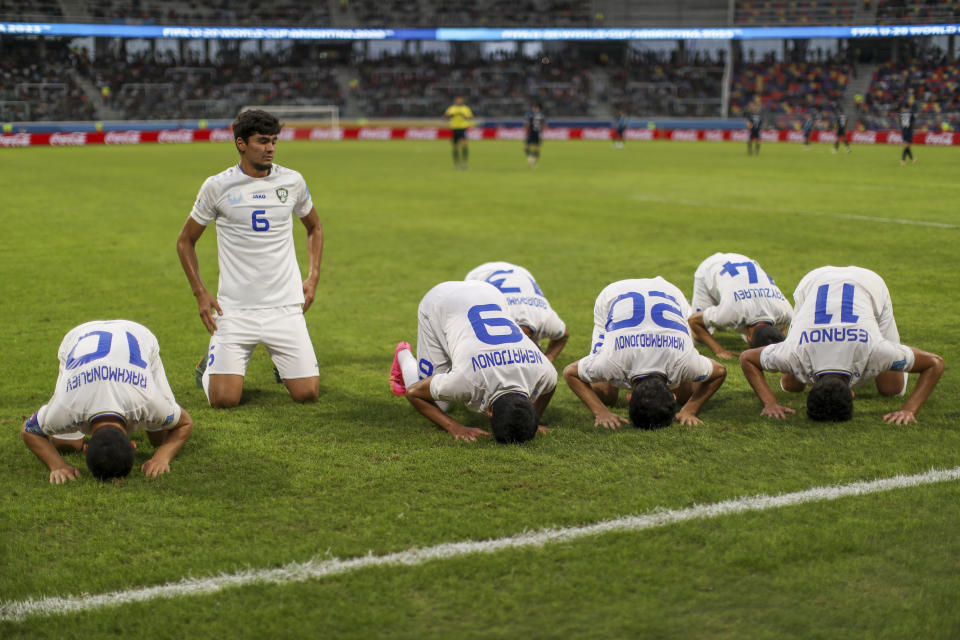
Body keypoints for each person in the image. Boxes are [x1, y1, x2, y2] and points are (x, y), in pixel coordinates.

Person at [176, 109, 323, 408]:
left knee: (307, 394)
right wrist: (200, 293)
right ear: (241, 144)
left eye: (274, 141)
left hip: (284, 307)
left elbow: (314, 227)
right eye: (262, 141)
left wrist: (313, 276)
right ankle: (208, 366)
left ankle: (283, 364)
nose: (270, 148)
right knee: (224, 400)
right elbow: (185, 241)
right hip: (235, 309)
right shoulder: (217, 186)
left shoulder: (292, 182)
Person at [739, 266, 944, 423]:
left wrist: (909, 409)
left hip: (869, 286)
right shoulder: (795, 354)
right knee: (791, 386)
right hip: (813, 282)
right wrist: (770, 403)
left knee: (892, 389)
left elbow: (935, 363)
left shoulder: (875, 351)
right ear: (851, 394)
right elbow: (935, 363)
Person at [20, 320, 194, 483]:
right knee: (66, 446)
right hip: (78, 338)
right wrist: (57, 465)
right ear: (133, 445)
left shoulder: (146, 401)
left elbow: (184, 423)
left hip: (139, 337)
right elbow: (28, 431)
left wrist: (161, 456)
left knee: (159, 439)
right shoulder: (66, 408)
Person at [389, 281, 557, 443]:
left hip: (489, 292)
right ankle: (403, 354)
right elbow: (413, 392)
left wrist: (531, 418)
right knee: (440, 405)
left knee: (457, 359)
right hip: (440, 302)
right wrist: (454, 427)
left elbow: (551, 384)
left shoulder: (543, 371)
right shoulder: (467, 380)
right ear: (489, 412)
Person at [562, 278, 726, 430]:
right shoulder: (612, 362)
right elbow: (570, 372)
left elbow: (719, 372)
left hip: (668, 293)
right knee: (606, 396)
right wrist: (600, 411)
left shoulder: (683, 361)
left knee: (686, 391)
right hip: (613, 297)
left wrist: (690, 409)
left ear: (629, 398)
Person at [688, 252, 792, 360]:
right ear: (749, 338)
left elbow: (781, 329)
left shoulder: (786, 313)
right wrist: (719, 350)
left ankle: (718, 319)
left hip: (742, 263)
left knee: (727, 320)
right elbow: (693, 321)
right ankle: (685, 307)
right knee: (697, 338)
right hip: (710, 268)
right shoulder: (731, 313)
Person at [464, 261, 569, 362]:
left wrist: (549, 358)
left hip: (521, 273)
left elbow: (564, 335)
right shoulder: (496, 320)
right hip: (479, 276)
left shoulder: (547, 321)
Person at [443, 95, 474, 170]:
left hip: (463, 128)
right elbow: (445, 118)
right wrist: (451, 115)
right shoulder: (451, 108)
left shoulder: (465, 108)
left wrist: (463, 116)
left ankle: (464, 163)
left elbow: (471, 117)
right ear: (455, 100)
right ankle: (456, 163)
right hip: (454, 128)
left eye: (460, 100)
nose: (459, 101)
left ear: (462, 100)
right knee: (455, 147)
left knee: (464, 145)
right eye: (458, 100)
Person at [524, 103, 546, 167]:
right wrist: (543, 133)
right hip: (538, 133)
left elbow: (527, 124)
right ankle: (533, 159)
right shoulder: (542, 115)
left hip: (531, 132)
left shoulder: (530, 114)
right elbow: (544, 124)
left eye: (533, 107)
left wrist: (526, 131)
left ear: (535, 107)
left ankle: (530, 157)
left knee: (526, 147)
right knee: (537, 148)